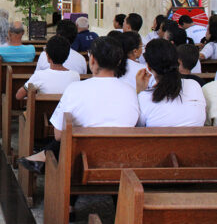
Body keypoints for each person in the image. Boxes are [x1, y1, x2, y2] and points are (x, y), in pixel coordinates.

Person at [19, 36, 139, 173]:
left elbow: (58, 134)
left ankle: (41, 157)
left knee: (62, 143)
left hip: (81, 163)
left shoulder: (75, 89)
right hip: (121, 161)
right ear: (119, 61)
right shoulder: (131, 91)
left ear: (92, 59)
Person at [135, 39, 205, 127]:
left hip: (158, 141)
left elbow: (138, 127)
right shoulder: (194, 86)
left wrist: (140, 91)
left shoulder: (144, 98)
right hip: (197, 140)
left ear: (148, 67)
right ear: (178, 62)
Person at [15, 35, 80, 100]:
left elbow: (19, 95)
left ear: (48, 57)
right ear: (67, 56)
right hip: (65, 110)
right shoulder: (75, 76)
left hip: (43, 110)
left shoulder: (39, 75)